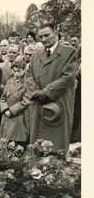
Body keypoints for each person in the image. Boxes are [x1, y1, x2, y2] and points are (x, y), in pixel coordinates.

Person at [24, 24, 78, 152]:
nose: (44, 39)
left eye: (47, 35)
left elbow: (68, 77)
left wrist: (47, 93)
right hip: (38, 104)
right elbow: (29, 76)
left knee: (55, 148)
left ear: (56, 33)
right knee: (38, 146)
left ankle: (56, 170)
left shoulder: (69, 52)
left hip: (58, 104)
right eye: (41, 36)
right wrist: (36, 93)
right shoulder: (36, 55)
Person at [0, 60, 30, 146]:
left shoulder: (28, 82)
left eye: (18, 71)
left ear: (24, 70)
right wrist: (5, 109)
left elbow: (26, 100)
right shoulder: (10, 81)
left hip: (19, 115)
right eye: (14, 71)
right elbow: (3, 97)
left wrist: (11, 111)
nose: (16, 73)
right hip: (7, 115)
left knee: (18, 141)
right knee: (5, 141)